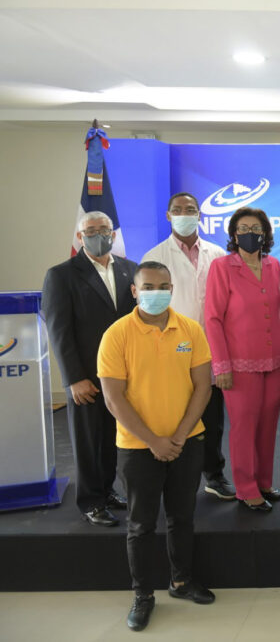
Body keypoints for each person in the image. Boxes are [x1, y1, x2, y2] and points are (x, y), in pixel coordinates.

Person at [97, 261, 215, 631]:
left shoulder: (190, 330)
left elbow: (203, 386)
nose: (156, 293)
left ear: (172, 290)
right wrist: (154, 442)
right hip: (137, 447)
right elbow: (113, 398)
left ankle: (181, 581)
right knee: (140, 524)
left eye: (163, 286)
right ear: (134, 291)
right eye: (148, 287)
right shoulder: (116, 334)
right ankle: (143, 595)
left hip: (186, 443)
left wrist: (178, 437)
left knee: (182, 516)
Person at [42, 210, 136, 527]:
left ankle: (107, 491)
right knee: (88, 442)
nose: (98, 235)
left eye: (104, 229)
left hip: (123, 375)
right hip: (87, 378)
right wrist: (73, 379)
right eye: (91, 231)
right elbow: (59, 331)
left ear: (113, 233)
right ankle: (91, 502)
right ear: (80, 237)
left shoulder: (131, 270)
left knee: (112, 438)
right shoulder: (61, 275)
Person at [142, 192, 233, 502]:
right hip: (171, 347)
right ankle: (172, 472)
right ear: (169, 215)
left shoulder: (217, 253)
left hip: (211, 347)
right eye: (178, 210)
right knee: (173, 412)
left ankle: (214, 475)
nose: (185, 214)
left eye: (191, 209)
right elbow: (148, 308)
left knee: (212, 417)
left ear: (199, 215)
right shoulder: (155, 256)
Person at [204, 207, 280, 511]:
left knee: (268, 424)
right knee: (244, 426)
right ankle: (246, 487)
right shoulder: (221, 267)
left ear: (265, 233)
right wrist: (221, 365)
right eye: (243, 228)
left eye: (256, 228)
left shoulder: (274, 265)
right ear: (234, 234)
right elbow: (213, 319)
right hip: (239, 364)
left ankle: (264, 481)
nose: (250, 233)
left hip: (276, 361)